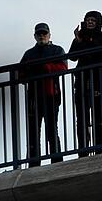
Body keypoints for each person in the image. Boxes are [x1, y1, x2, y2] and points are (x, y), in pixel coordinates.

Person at [19, 23, 68, 166]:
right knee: (33, 130)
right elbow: (20, 74)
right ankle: (34, 163)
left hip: (51, 95)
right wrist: (39, 68)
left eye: (44, 33)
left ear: (49, 35)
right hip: (34, 96)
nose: (42, 36)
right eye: (39, 34)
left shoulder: (57, 50)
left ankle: (56, 162)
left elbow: (63, 68)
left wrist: (44, 67)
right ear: (35, 36)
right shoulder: (29, 53)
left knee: (51, 129)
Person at [69, 11, 102, 157]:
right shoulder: (81, 37)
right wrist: (78, 40)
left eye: (93, 20)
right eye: (88, 20)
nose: (90, 22)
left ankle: (100, 149)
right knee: (81, 117)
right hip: (81, 79)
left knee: (98, 115)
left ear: (98, 22)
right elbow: (73, 57)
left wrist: (87, 42)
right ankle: (83, 150)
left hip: (99, 79)